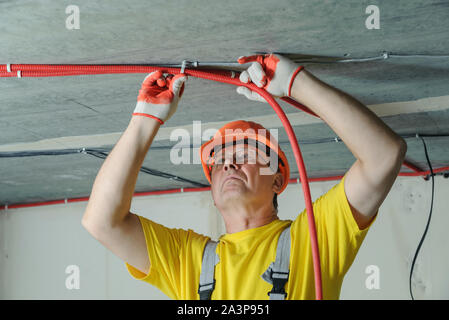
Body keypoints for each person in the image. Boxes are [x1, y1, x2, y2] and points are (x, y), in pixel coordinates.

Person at [81, 53, 407, 299]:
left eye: (245, 156)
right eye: (220, 161)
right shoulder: (188, 261)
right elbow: (101, 221)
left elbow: (384, 156)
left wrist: (297, 83)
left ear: (278, 181)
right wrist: (143, 120)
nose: (229, 165)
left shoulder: (313, 241)